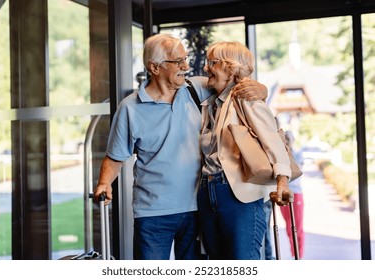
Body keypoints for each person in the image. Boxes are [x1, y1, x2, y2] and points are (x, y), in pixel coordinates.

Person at [93, 34, 268, 260]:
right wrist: (104, 183)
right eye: (178, 62)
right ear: (154, 67)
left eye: (186, 59)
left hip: (198, 207)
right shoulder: (130, 108)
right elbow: (116, 155)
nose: (186, 67)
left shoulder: (196, 89)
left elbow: (233, 82)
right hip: (153, 212)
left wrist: (260, 89)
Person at [197, 41, 292, 260]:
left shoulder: (246, 98)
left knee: (243, 264)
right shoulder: (210, 101)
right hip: (207, 191)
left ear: (230, 67)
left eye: (212, 62)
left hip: (237, 195)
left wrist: (282, 181)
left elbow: (273, 141)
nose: (205, 68)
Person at [280, 130, 305, 259]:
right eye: (286, 140)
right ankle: (294, 254)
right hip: (284, 194)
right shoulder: (281, 155)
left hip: (295, 194)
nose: (287, 142)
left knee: (297, 228)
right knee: (290, 229)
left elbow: (296, 173)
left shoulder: (297, 154)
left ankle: (298, 256)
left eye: (289, 139)